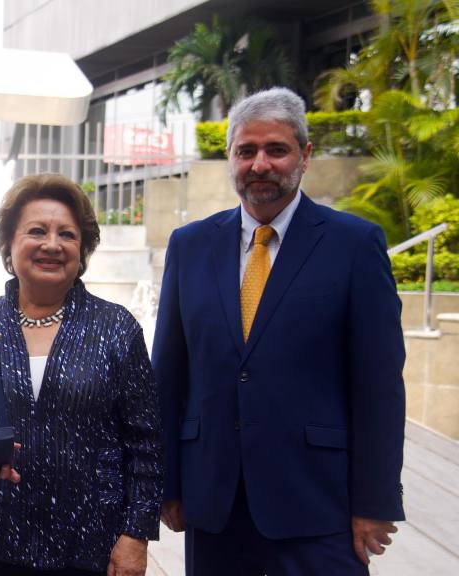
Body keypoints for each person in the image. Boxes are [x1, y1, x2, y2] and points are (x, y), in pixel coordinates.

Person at [152, 87, 406, 575]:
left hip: (319, 503)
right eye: (246, 151)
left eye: (276, 149)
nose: (260, 164)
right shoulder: (189, 246)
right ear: (230, 159)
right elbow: (169, 375)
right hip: (214, 505)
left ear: (305, 155)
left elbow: (379, 385)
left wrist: (374, 501)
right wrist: (169, 485)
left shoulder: (354, 245)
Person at [0, 173, 163, 576]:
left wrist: (136, 534)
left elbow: (146, 444)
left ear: (83, 249)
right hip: (1, 542)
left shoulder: (116, 327)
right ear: (9, 244)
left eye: (68, 235)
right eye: (37, 231)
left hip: (97, 546)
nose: (52, 245)